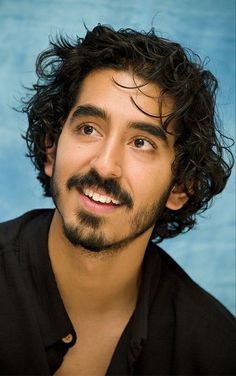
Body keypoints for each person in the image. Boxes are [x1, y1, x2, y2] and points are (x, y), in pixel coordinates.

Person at [0, 24, 235, 376]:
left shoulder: (217, 350)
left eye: (142, 142)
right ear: (52, 149)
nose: (105, 165)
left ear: (180, 188)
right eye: (88, 128)